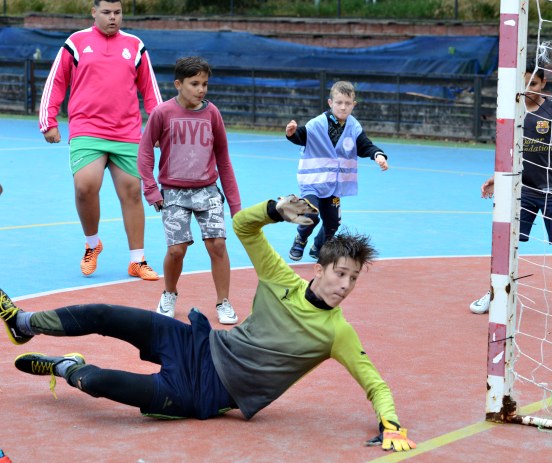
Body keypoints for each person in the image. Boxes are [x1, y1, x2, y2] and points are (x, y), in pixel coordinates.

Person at [0, 195, 416, 453]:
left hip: (204, 392)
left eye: (353, 279)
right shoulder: (281, 279)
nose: (345, 285)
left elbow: (374, 383)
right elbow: (243, 227)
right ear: (320, 267)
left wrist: (390, 422)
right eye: (340, 273)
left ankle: (64, 366)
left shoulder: (336, 333)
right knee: (105, 315)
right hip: (198, 344)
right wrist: (274, 210)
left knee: (97, 383)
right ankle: (23, 322)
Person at [38, 0, 162, 280]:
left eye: (117, 12)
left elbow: (150, 90)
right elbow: (56, 81)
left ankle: (137, 260)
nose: (112, 18)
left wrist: (160, 127)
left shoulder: (135, 45)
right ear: (94, 12)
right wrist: (49, 120)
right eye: (106, 12)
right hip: (87, 128)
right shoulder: (76, 42)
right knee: (85, 186)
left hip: (127, 132)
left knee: (131, 191)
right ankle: (92, 245)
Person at [469, 58, 552, 324]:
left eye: (533, 83)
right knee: (506, 243)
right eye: (523, 83)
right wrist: (497, 179)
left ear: (543, 82)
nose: (528, 88)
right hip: (522, 192)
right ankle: (495, 294)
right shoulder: (513, 111)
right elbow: (511, 154)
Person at [138, 56, 242, 325]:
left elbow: (224, 159)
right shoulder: (163, 113)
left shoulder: (212, 114)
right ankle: (169, 294)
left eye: (205, 84)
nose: (201, 89)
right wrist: (151, 189)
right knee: (177, 250)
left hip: (208, 190)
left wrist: (235, 205)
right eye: (194, 83)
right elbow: (145, 151)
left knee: (217, 244)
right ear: (178, 84)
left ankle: (223, 301)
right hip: (173, 192)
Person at [285, 80, 389, 261]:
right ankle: (300, 239)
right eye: (339, 103)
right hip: (313, 182)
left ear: (353, 105)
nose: (343, 107)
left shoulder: (353, 127)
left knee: (333, 223)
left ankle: (319, 247)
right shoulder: (318, 124)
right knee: (311, 213)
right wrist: (292, 133)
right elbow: (302, 136)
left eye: (348, 103)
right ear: (330, 103)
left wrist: (378, 155)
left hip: (333, 185)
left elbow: (365, 146)